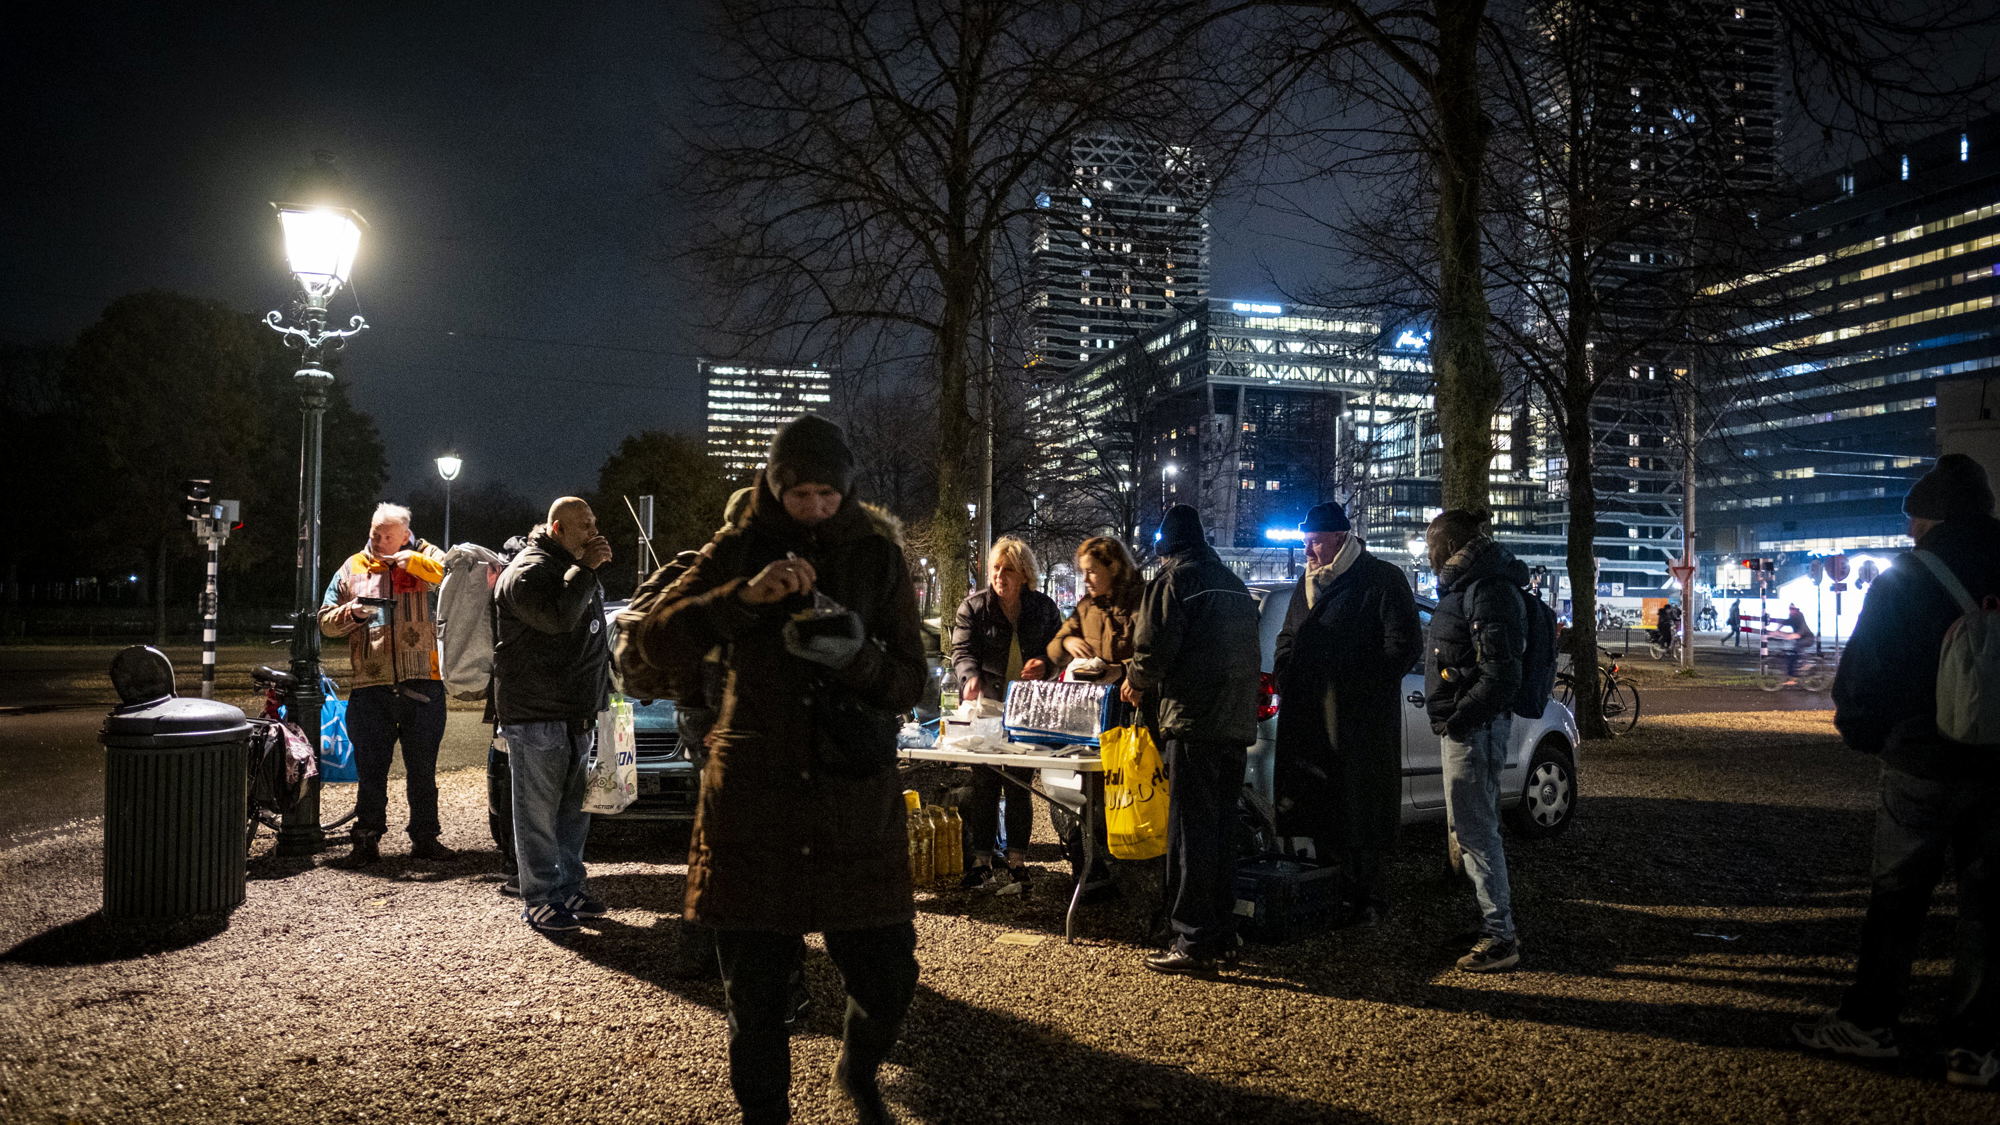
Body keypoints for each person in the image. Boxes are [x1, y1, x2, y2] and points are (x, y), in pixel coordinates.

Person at [637, 414, 926, 1125]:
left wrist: (854, 655)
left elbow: (909, 681)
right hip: (755, 800)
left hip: (850, 799)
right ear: (773, 484)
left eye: (829, 494)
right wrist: (744, 599)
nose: (816, 508)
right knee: (755, 997)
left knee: (889, 973)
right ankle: (764, 1115)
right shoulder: (738, 546)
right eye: (800, 494)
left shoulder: (876, 556)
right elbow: (653, 638)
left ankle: (858, 1070)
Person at [1797, 453, 2000, 1088]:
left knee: (1897, 897)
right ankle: (1975, 1045)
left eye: (1915, 523)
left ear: (1930, 518)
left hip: (1920, 757)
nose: (1911, 534)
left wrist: (1864, 732)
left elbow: (1865, 674)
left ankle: (1872, 1023)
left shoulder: (1906, 578)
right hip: (1998, 767)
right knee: (1988, 905)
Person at [1123, 505, 1261, 974]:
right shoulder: (1235, 585)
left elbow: (1152, 648)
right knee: (1223, 831)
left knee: (1190, 833)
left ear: (1166, 546)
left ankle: (1192, 939)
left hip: (1193, 722)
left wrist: (1136, 682)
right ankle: (1222, 932)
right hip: (1235, 724)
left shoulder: (1173, 582)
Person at [1271, 501, 1422, 925]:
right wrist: (1287, 674)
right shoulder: (1308, 583)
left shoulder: (1380, 579)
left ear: (1340, 538)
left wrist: (1356, 685)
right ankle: (1331, 892)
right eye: (1306, 543)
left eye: (1315, 542)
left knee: (1361, 809)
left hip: (1358, 721)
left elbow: (1404, 646)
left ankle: (1367, 898)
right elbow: (1288, 637)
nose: (1308, 552)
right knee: (1321, 805)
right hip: (1312, 717)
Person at [493, 496, 612, 935]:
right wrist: (587, 570)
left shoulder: (568, 566)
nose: (593, 531)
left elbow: (588, 638)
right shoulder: (528, 570)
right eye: (584, 525)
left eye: (594, 522)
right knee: (538, 814)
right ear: (558, 529)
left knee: (573, 812)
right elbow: (558, 619)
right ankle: (540, 897)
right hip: (538, 714)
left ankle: (567, 886)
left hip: (574, 711)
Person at [1424, 507, 1530, 973]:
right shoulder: (1476, 585)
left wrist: (1460, 719)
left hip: (1475, 728)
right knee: (1473, 827)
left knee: (1476, 830)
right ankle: (1493, 923)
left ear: (1447, 545)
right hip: (1471, 725)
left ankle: (1500, 936)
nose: (1426, 552)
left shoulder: (1486, 589)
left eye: (1429, 543)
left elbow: (1501, 672)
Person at [318, 502, 452, 866]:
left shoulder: (429, 556)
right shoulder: (353, 566)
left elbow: (453, 579)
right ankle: (366, 840)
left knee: (423, 770)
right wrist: (352, 613)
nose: (378, 540)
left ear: (405, 535)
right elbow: (325, 622)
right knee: (371, 772)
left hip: (423, 681)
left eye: (387, 536)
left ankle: (426, 839)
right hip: (370, 685)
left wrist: (414, 561)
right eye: (375, 533)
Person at [951, 536, 1062, 892]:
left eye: (1008, 569)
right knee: (983, 783)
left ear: (1024, 574)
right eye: (996, 568)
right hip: (985, 708)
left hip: (1027, 709)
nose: (1000, 575)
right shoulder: (974, 607)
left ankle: (1017, 860)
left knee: (1018, 785)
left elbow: (1059, 650)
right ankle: (982, 860)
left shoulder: (1043, 609)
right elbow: (962, 650)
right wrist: (969, 678)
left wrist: (1045, 664)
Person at [1046, 536, 1142, 682]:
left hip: (1132, 696)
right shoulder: (1086, 606)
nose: (1086, 580)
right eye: (1083, 572)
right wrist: (1067, 642)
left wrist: (1123, 670)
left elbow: (1157, 654)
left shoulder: (1142, 602)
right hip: (1094, 696)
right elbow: (1054, 648)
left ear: (1113, 568)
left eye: (1091, 571)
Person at [1779, 603, 1816, 678]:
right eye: (1790, 609)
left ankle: (1806, 663)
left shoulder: (1799, 616)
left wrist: (1792, 636)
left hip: (1808, 638)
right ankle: (1793, 675)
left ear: (1796, 610)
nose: (1791, 611)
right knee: (1793, 654)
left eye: (1793, 609)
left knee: (1798, 646)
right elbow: (1785, 622)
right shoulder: (1792, 617)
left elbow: (1801, 631)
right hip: (1800, 638)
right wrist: (1776, 631)